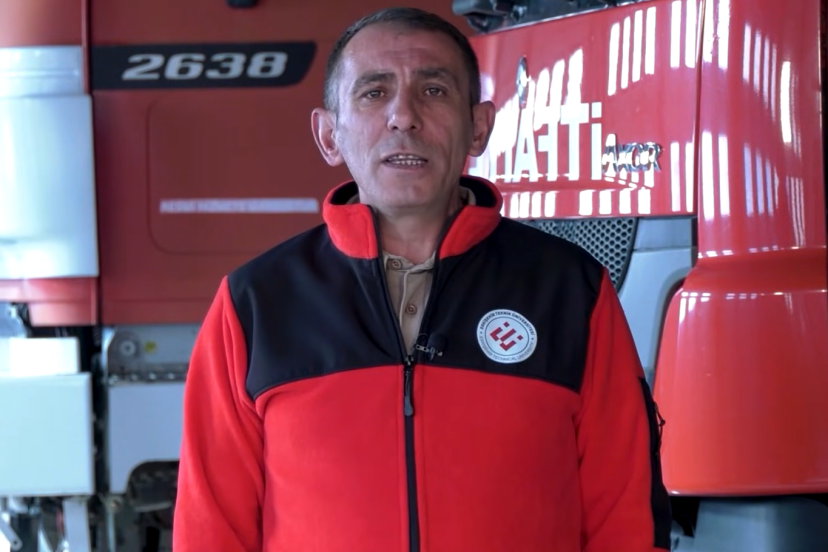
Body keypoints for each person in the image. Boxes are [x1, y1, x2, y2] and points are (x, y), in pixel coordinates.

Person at [172, 6, 672, 552]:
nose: (404, 117)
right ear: (329, 135)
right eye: (373, 93)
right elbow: (210, 530)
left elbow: (625, 517)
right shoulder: (255, 303)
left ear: (478, 127)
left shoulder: (571, 291)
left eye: (434, 91)